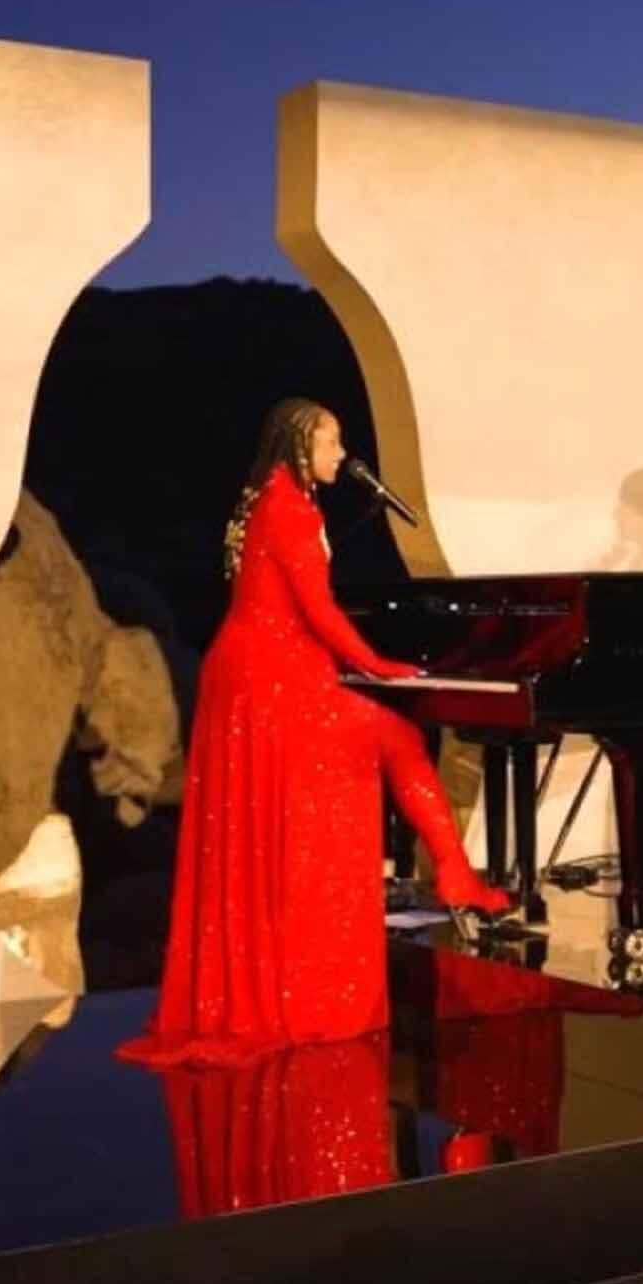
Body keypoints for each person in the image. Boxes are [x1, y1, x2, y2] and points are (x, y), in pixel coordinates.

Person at [121, 400, 510, 1068]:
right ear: (301, 445)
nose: (341, 455)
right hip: (272, 680)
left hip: (258, 674)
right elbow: (319, 609)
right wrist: (378, 664)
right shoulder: (291, 510)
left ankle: (450, 872)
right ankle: (452, 872)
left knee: (372, 755)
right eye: (332, 443)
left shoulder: (271, 501)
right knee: (395, 737)